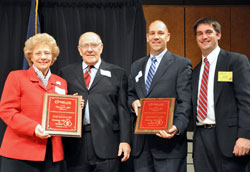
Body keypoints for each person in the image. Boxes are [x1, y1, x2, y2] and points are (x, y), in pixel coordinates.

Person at [59, 32, 131, 172]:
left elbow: (124, 110)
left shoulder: (118, 73)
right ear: (79, 49)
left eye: (94, 45)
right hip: (75, 146)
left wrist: (125, 140)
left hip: (108, 144)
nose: (90, 49)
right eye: (85, 45)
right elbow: (60, 106)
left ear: (101, 48)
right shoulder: (66, 73)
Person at [128, 20, 192, 172]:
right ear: (147, 37)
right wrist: (133, 102)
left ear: (168, 37)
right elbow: (130, 93)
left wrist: (176, 127)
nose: (156, 37)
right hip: (141, 147)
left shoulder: (181, 64)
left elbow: (185, 101)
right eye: (152, 33)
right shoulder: (136, 66)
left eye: (160, 33)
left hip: (170, 146)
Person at [0, 33, 68, 172]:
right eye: (38, 53)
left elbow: (62, 113)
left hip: (52, 155)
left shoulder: (61, 82)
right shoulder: (16, 77)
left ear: (53, 57)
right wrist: (33, 128)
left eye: (47, 53)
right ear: (30, 56)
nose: (43, 57)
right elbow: (7, 110)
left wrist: (75, 108)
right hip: (21, 153)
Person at [192, 17, 250, 172]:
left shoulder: (235, 61)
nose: (204, 37)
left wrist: (245, 136)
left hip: (230, 139)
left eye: (208, 32)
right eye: (199, 34)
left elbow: (246, 101)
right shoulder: (195, 71)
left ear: (218, 35)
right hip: (201, 140)